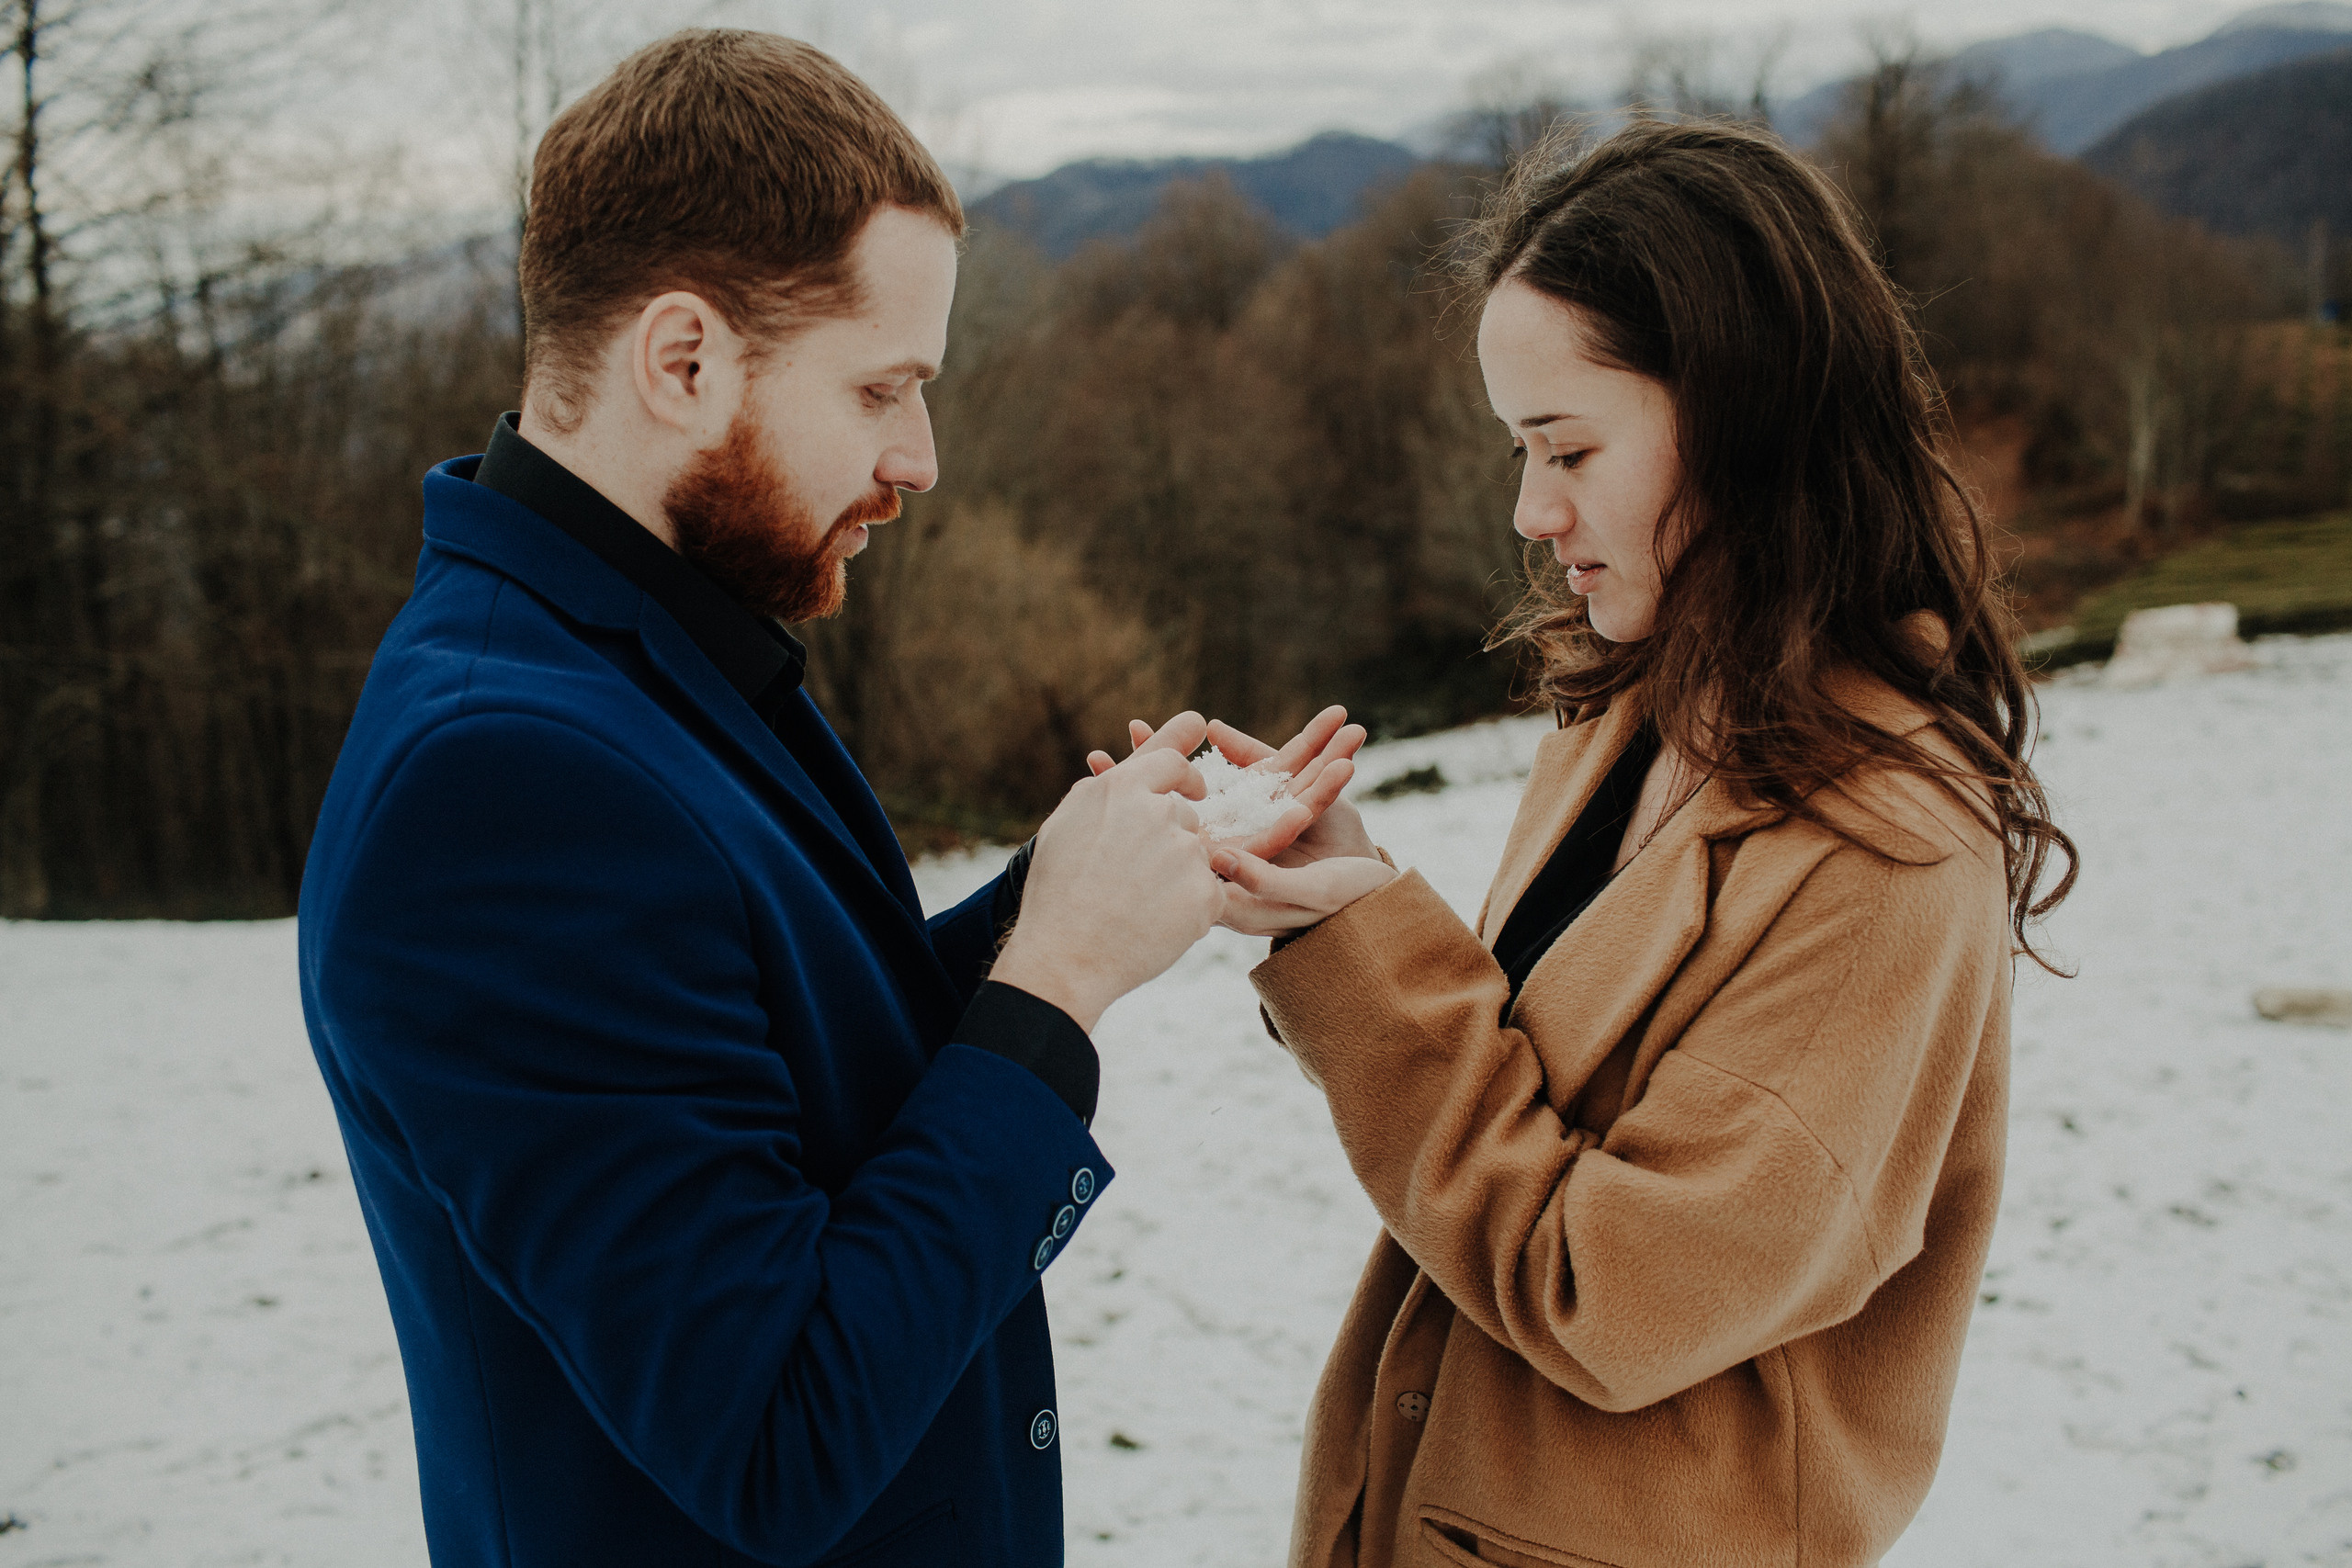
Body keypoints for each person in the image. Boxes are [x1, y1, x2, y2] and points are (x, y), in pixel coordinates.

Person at [295, 30, 1358, 1568]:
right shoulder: (495, 784)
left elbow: (783, 1074)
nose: (919, 458)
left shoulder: (644, 644)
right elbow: (778, 1434)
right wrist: (1056, 986)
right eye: (881, 388)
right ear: (681, 360)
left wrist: (1077, 891)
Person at [1202, 118, 2077, 1568]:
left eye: (1569, 449)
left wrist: (1364, 959)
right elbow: (1524, 1109)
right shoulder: (1633, 715)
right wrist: (1331, 904)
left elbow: (1611, 1293)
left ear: (1742, 420)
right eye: (1519, 449)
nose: (1533, 512)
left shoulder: (1892, 850)